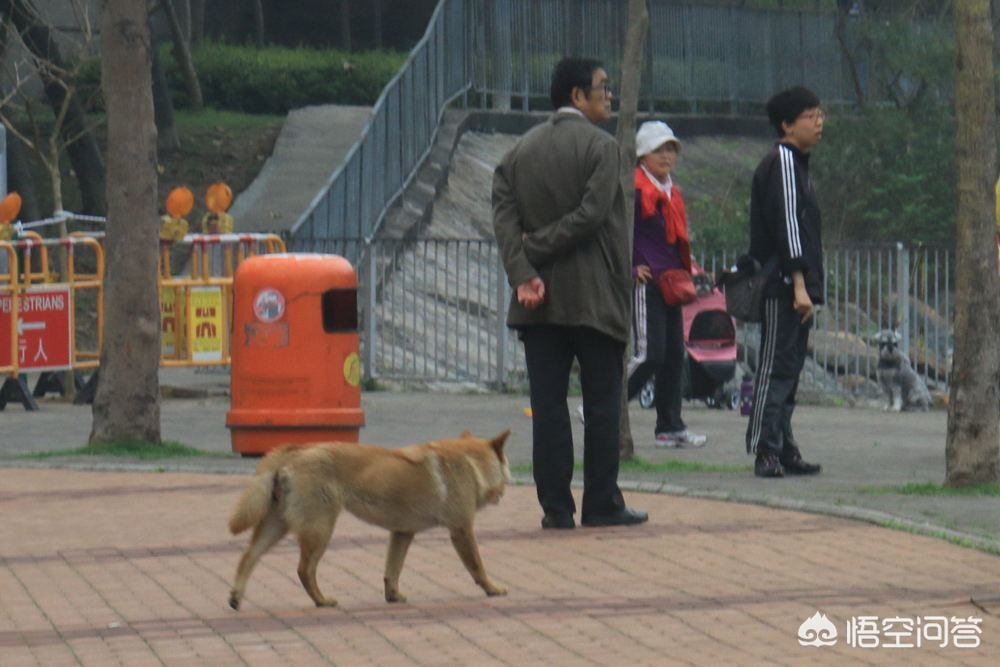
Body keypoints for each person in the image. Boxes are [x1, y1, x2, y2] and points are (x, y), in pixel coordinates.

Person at [492, 56, 648, 529]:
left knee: (549, 408)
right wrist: (536, 249)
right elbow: (592, 215)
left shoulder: (516, 153)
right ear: (577, 96)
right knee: (601, 404)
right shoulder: (602, 149)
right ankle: (602, 503)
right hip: (595, 297)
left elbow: (505, 225)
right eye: (603, 88)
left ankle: (556, 507)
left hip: (537, 304)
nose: (609, 97)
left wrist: (524, 270)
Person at [745, 86, 826, 478]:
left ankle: (784, 445)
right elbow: (788, 227)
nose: (820, 121)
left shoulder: (798, 164)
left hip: (799, 285)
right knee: (775, 366)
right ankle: (765, 448)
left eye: (820, 114)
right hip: (783, 284)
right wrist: (798, 282)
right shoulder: (781, 162)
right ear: (787, 124)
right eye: (811, 116)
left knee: (791, 369)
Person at [625, 121, 707, 449]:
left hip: (673, 282)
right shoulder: (632, 189)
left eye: (671, 149)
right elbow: (613, 229)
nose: (667, 155)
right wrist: (630, 267)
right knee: (650, 354)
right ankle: (602, 404)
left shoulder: (672, 190)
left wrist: (693, 270)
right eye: (659, 149)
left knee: (675, 355)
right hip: (648, 283)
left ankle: (670, 426)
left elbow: (677, 241)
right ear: (642, 154)